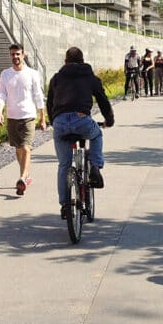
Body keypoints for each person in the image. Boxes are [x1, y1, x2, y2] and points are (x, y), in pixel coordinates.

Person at [46, 47, 115, 219]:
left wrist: (54, 121)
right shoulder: (90, 77)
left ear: (65, 61)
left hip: (60, 122)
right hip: (81, 119)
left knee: (64, 165)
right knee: (97, 134)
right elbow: (103, 100)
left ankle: (65, 205)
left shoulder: (56, 78)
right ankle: (95, 166)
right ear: (83, 60)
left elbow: (49, 103)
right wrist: (109, 120)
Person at [0, 43, 46, 196]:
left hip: (28, 116)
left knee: (26, 147)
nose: (15, 57)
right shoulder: (5, 74)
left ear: (23, 55)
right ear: (10, 55)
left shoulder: (32, 73)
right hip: (12, 116)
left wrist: (42, 117)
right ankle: (26, 176)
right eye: (12, 54)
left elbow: (38, 95)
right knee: (18, 149)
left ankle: (23, 177)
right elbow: (2, 94)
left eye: (18, 54)